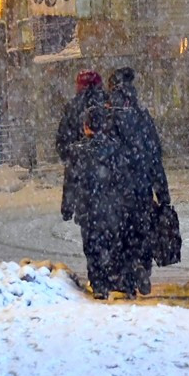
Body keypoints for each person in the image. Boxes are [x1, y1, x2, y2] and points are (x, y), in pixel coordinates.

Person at [107, 66, 171, 297]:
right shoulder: (142, 116)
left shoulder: (108, 117)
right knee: (141, 231)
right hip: (142, 187)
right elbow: (155, 155)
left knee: (119, 234)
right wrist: (162, 193)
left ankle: (125, 277)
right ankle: (142, 265)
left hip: (115, 188)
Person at [72, 104, 129, 299]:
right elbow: (124, 178)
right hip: (112, 206)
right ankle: (116, 279)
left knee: (92, 246)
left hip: (88, 207)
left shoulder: (79, 152)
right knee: (114, 242)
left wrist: (70, 205)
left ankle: (98, 283)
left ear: (86, 126)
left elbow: (72, 181)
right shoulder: (116, 149)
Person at [56, 70, 105, 225]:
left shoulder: (73, 107)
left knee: (86, 222)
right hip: (106, 175)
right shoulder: (108, 104)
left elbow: (62, 140)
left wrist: (70, 156)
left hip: (80, 175)